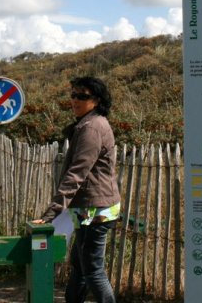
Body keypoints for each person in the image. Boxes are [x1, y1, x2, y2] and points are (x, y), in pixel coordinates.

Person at [33, 76, 120, 303]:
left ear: (97, 100)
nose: (75, 100)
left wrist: (52, 212)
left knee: (92, 270)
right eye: (73, 95)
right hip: (89, 207)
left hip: (96, 209)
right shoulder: (89, 124)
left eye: (82, 96)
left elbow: (77, 173)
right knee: (80, 267)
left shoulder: (92, 128)